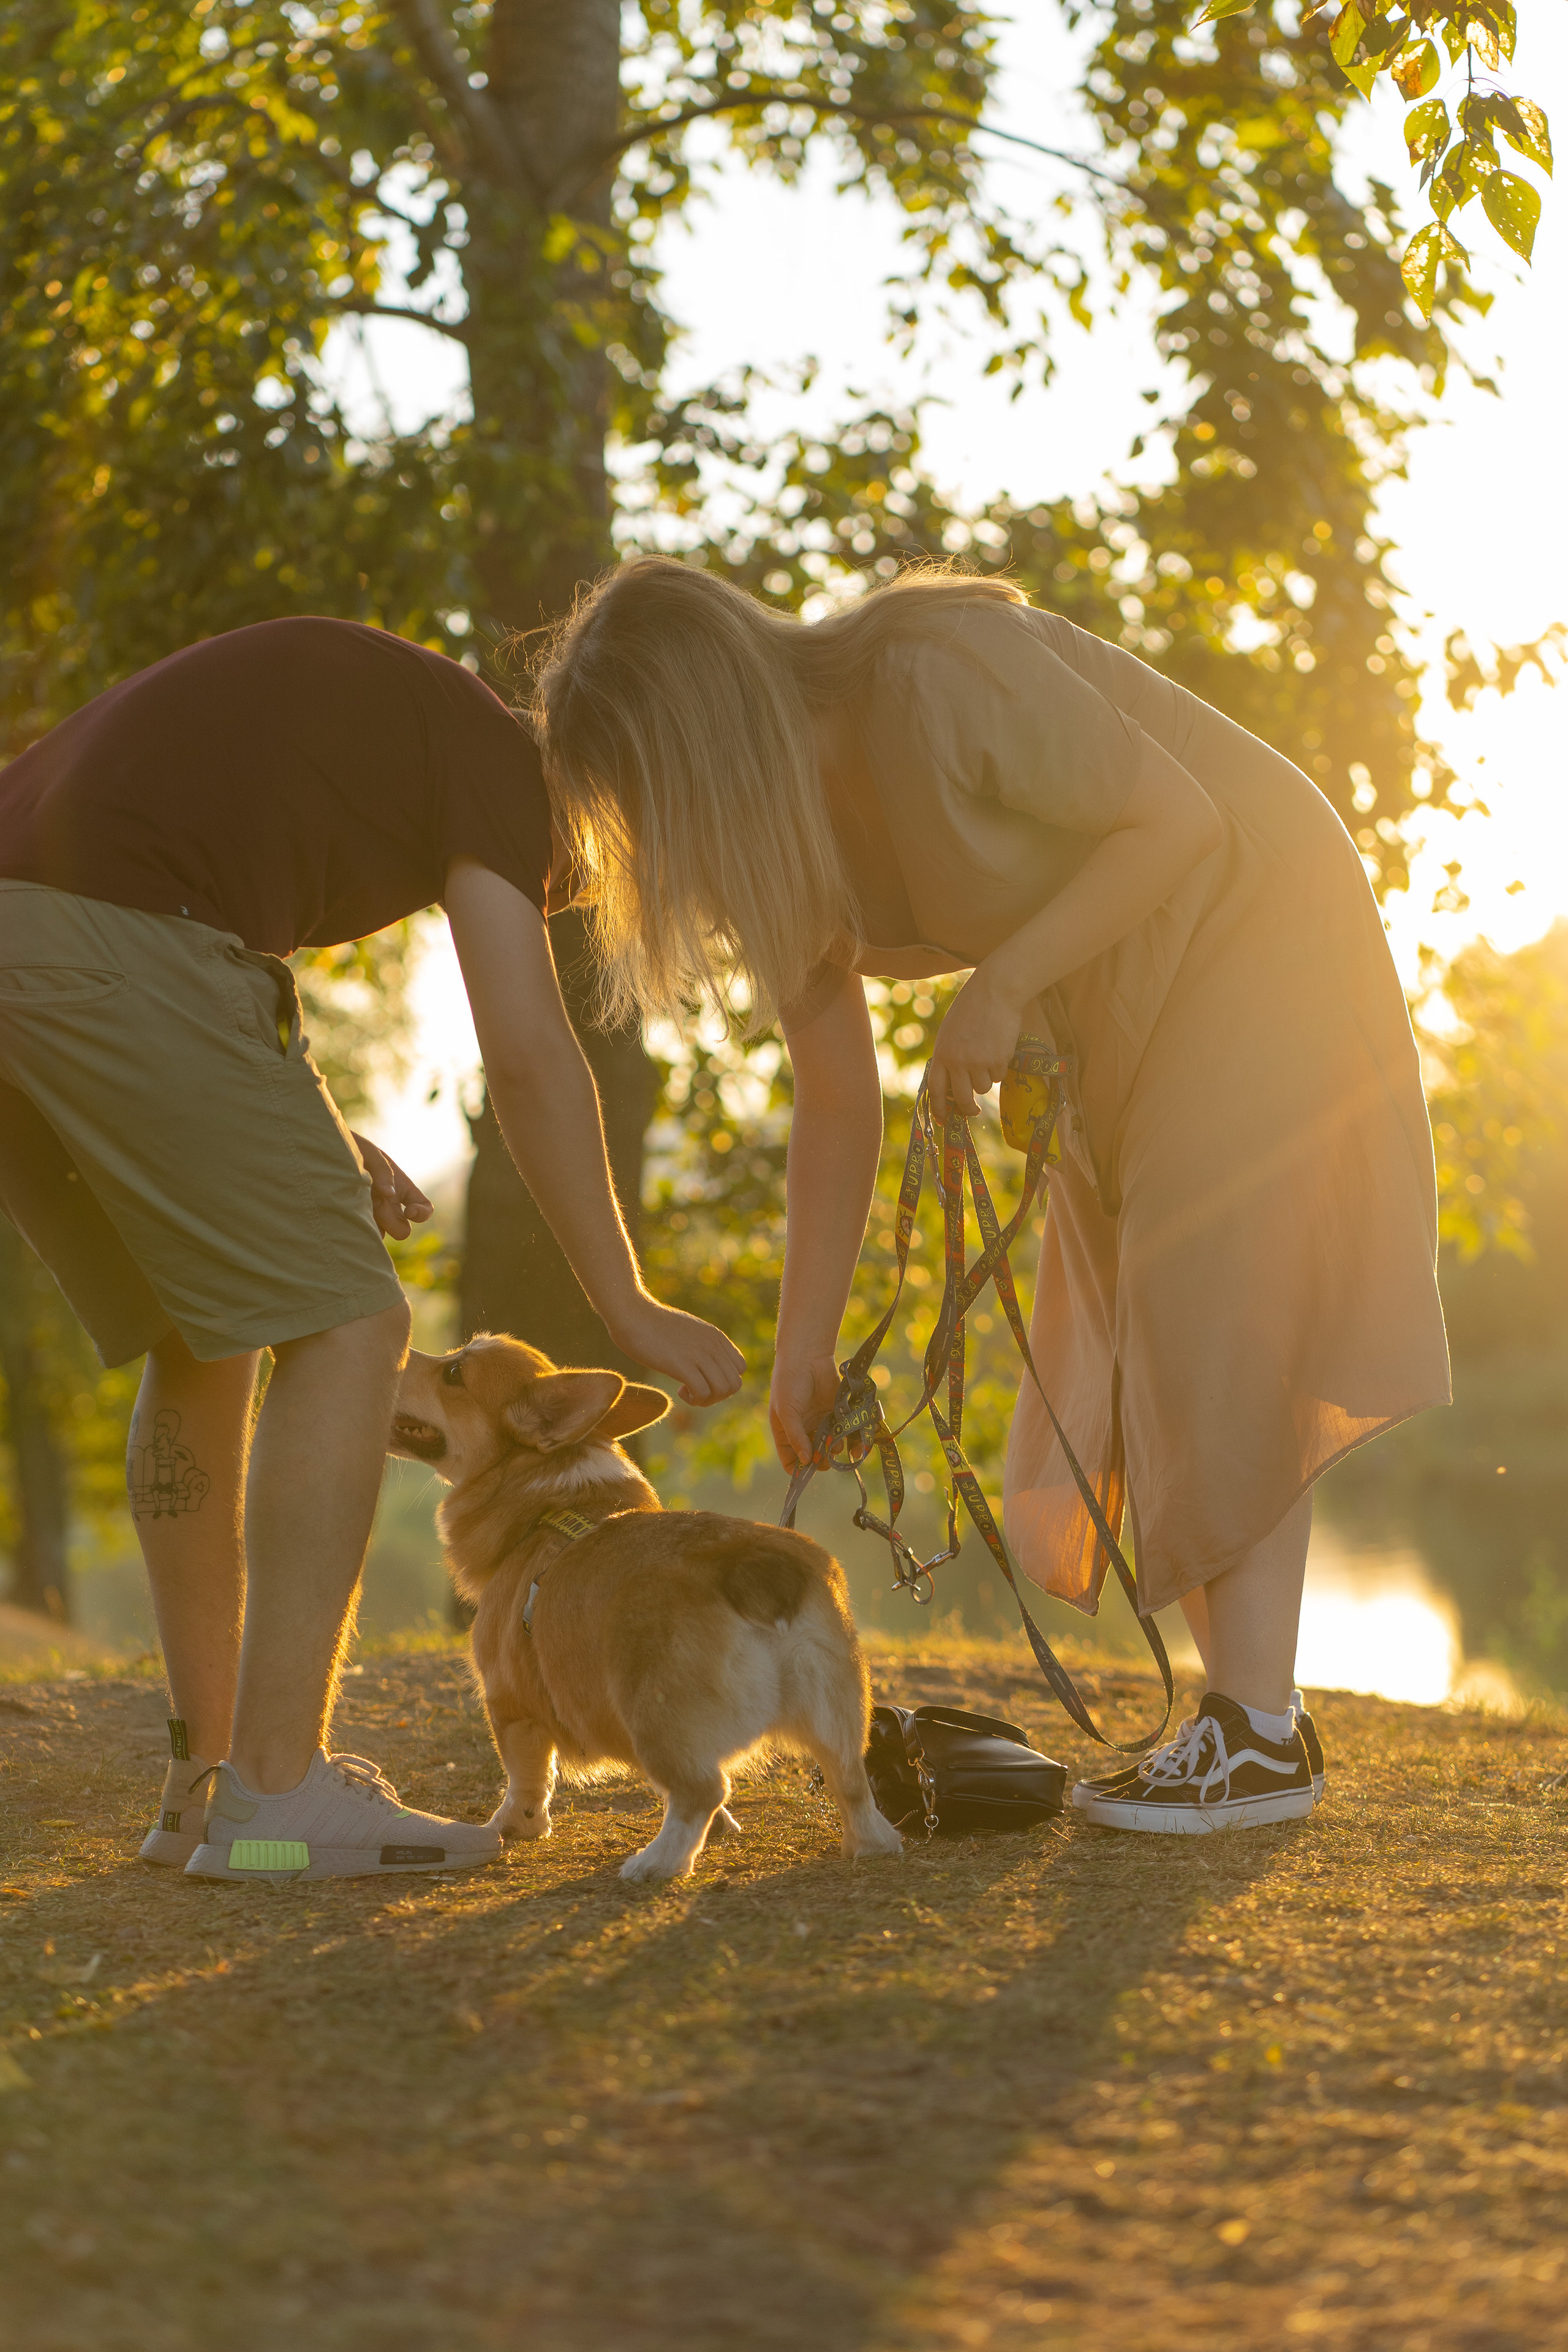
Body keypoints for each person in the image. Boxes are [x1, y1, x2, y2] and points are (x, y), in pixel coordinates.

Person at [530, 557, 1451, 1833]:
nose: (659, 833)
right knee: (1138, 1346)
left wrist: (1002, 985)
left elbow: (1176, 821)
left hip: (1253, 923)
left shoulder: (933, 670)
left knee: (1203, 1311)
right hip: (1103, 1003)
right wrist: (804, 1352)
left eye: (650, 791)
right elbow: (837, 1101)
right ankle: (1235, 1726)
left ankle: (1258, 1736)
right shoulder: (782, 855)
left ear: (702, 731)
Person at [0, 616, 742, 1880]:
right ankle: (276, 1798)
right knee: (354, 1324)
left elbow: (192, 884)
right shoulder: (509, 769)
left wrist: (319, 1125)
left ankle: (206, 1787)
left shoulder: (393, 731)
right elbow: (525, 1053)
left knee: (205, 1329)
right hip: (122, 940)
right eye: (605, 862)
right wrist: (625, 1305)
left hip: (41, 929)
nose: (571, 887)